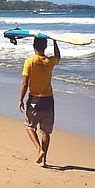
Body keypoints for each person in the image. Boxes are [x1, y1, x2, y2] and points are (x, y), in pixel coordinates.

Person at [18, 37, 60, 167]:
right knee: (45, 132)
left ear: (33, 46)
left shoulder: (30, 62)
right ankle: (44, 161)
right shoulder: (50, 61)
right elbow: (58, 57)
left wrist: (20, 99)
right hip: (48, 100)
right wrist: (55, 42)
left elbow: (25, 83)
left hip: (35, 100)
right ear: (45, 47)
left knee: (29, 126)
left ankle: (39, 149)